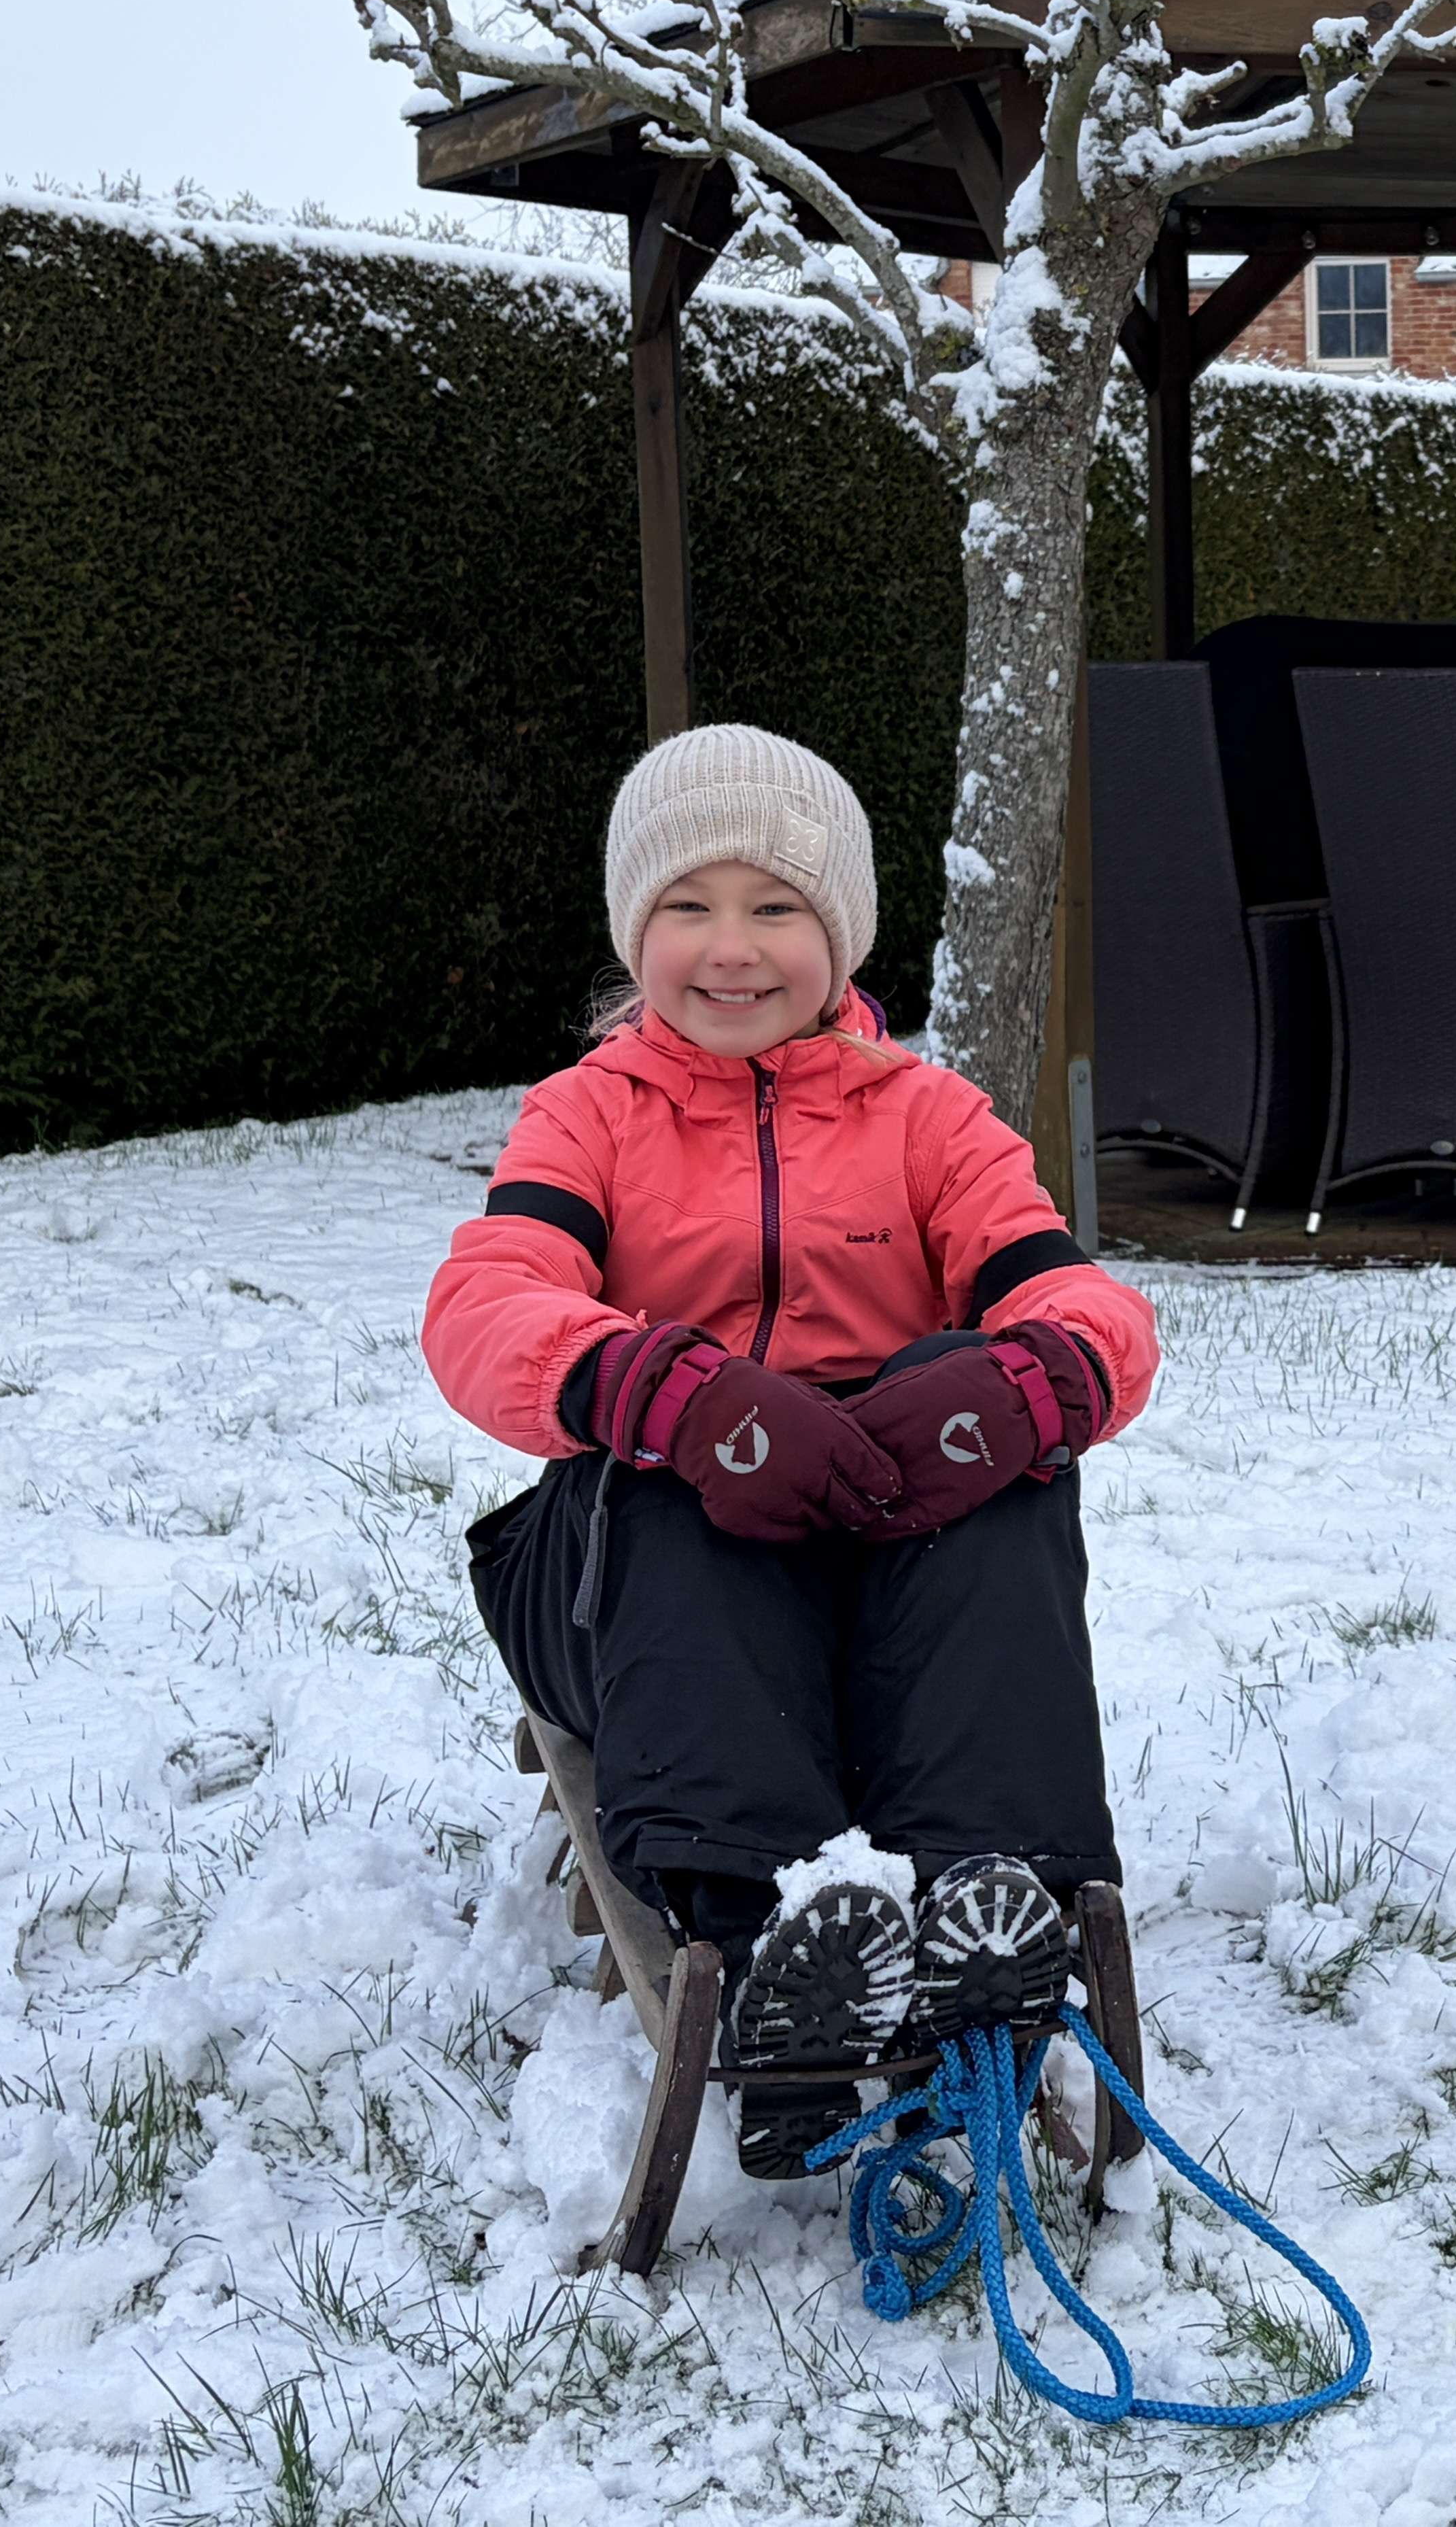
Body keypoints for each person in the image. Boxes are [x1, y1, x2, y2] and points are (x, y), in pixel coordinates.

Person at [427, 724, 1158, 2176]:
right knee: (677, 1494)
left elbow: (1082, 1301)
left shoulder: (926, 1120)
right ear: (639, 928)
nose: (732, 949)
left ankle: (997, 1907)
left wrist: (1022, 1386)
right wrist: (668, 1392)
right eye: (689, 907)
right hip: (631, 1588)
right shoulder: (591, 1117)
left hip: (879, 1572)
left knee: (1006, 1457)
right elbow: (485, 1306)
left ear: (840, 935)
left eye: (776, 908)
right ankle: (743, 1945)